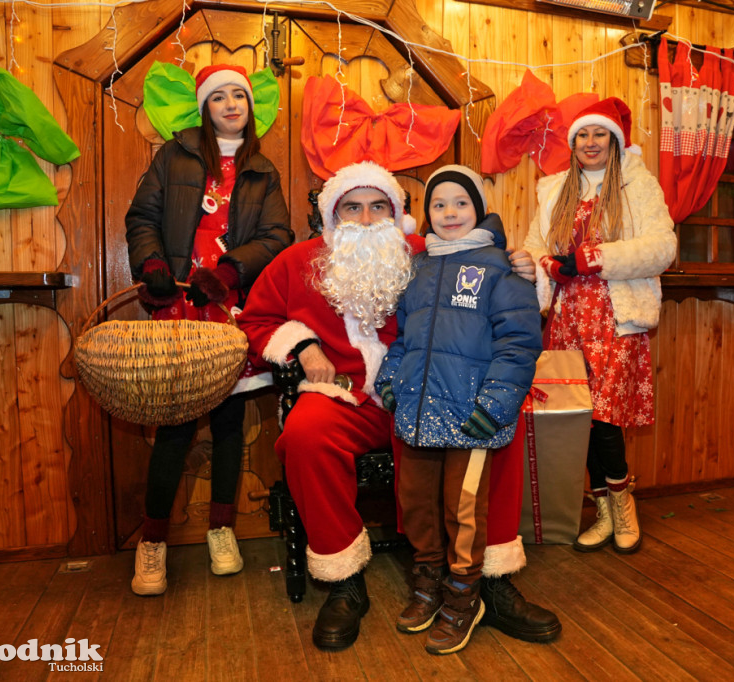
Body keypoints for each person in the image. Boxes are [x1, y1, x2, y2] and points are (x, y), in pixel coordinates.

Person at [239, 161, 560, 651]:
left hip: (428, 391)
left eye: (377, 208)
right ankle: (343, 578)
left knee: (500, 423)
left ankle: (490, 580)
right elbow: (257, 318)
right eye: (352, 208)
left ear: (398, 214)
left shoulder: (423, 252)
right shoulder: (296, 261)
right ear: (332, 214)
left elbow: (489, 274)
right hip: (343, 396)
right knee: (304, 435)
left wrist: (524, 268)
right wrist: (303, 346)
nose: (366, 220)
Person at [124, 64, 293, 595]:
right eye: (217, 96)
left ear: (249, 105)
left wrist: (229, 270)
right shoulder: (172, 155)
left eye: (238, 95)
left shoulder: (263, 169)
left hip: (230, 309)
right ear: (204, 107)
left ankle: (222, 529)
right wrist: (151, 264)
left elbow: (278, 234)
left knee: (227, 422)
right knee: (174, 425)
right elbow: (141, 218)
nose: (229, 104)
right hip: (177, 305)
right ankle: (152, 542)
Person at [374, 166, 542, 655]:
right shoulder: (420, 270)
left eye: (460, 203)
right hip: (418, 416)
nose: (449, 213)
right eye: (439, 204)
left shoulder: (500, 267)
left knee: (462, 511)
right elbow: (405, 339)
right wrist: (389, 384)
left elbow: (518, 344)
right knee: (417, 504)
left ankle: (464, 597)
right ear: (426, 214)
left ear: (479, 208)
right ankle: (427, 582)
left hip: (471, 419)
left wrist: (494, 406)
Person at [523, 97, 676, 554]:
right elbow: (534, 246)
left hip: (615, 314)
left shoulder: (637, 184)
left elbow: (663, 247)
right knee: (581, 419)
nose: (590, 143)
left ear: (614, 140)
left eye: (599, 134)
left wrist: (598, 258)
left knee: (606, 419)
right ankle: (604, 513)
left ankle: (623, 504)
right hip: (569, 317)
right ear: (573, 144)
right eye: (583, 136)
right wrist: (547, 264)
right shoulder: (553, 190)